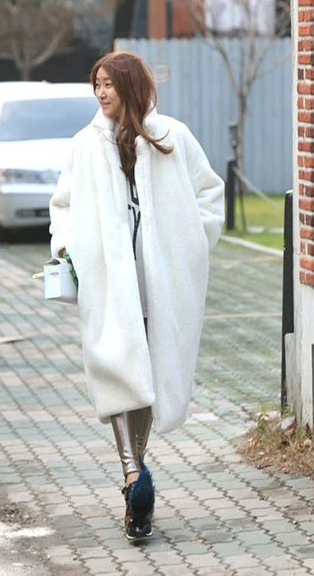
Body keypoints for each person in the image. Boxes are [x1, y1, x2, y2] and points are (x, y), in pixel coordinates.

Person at [49, 51, 224, 541]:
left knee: (147, 369)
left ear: (130, 85)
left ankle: (134, 482)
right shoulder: (85, 145)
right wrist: (67, 248)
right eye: (96, 84)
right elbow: (62, 204)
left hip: (159, 277)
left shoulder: (173, 136)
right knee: (115, 364)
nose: (101, 92)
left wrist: (191, 240)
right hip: (108, 278)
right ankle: (134, 475)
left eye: (108, 83)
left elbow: (210, 193)